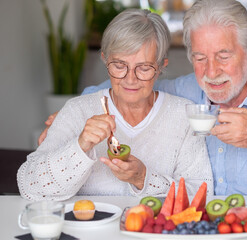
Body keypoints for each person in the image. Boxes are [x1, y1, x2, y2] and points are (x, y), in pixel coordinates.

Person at [39, 0, 247, 205]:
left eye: (223, 56)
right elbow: (129, 81)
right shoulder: (183, 92)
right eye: (200, 58)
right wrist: (73, 117)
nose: (211, 72)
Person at [18, 9, 213, 201]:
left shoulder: (183, 116)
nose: (130, 79)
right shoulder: (77, 110)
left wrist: (143, 178)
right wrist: (81, 145)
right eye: (119, 66)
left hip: (152, 233)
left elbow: (202, 195)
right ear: (105, 59)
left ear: (161, 66)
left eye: (144, 68)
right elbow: (29, 187)